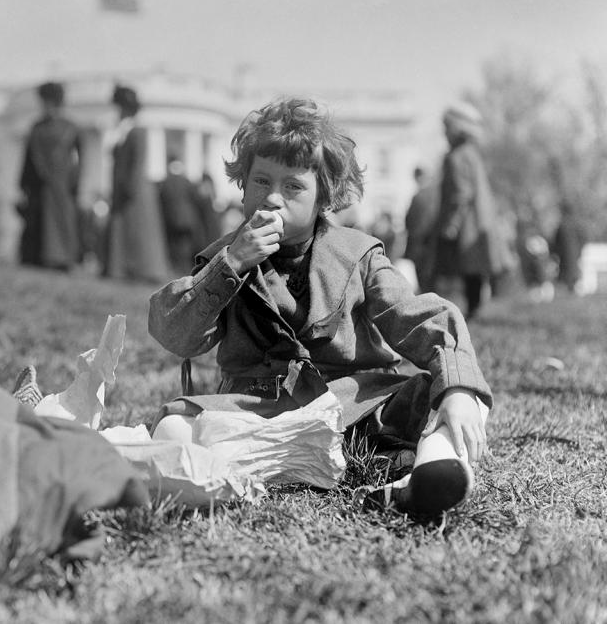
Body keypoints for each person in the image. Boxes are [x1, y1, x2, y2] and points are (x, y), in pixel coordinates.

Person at [148, 98, 492, 518]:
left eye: (292, 186)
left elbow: (422, 318)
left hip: (348, 409)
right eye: (260, 181)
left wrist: (457, 389)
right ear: (242, 183)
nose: (272, 199)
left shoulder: (357, 253)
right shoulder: (225, 257)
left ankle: (431, 475)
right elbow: (174, 333)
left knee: (451, 398)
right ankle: (224, 478)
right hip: (259, 413)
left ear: (323, 197)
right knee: (173, 427)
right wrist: (232, 264)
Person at [432, 102, 503, 319]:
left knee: (466, 269)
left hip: (467, 224)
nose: (444, 133)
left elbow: (461, 194)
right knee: (474, 271)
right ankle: (475, 309)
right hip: (480, 220)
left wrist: (451, 224)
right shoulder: (472, 153)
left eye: (446, 127)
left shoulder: (457, 157)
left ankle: (470, 312)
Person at [102, 84, 171, 283]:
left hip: (133, 188)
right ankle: (120, 268)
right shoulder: (122, 130)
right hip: (124, 186)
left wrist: (127, 187)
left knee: (137, 230)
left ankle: (142, 269)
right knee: (124, 229)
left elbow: (137, 162)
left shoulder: (136, 131)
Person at [17, 81, 82, 270]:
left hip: (62, 185)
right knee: (39, 222)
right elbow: (28, 159)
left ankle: (63, 259)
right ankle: (38, 257)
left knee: (62, 221)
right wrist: (23, 185)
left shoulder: (70, 127)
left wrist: (75, 182)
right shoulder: (36, 127)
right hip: (39, 186)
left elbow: (79, 159)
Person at [158, 155, 201, 274]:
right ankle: (185, 267)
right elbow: (196, 198)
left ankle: (177, 267)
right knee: (186, 245)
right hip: (188, 219)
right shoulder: (187, 182)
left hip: (172, 219)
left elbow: (162, 200)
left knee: (174, 245)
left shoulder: (166, 182)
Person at [403, 166, 439, 293]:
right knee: (429, 275)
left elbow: (410, 221)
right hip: (429, 242)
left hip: (421, 242)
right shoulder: (435, 195)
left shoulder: (420, 196)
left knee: (425, 275)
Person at [551, 198, 586, 295]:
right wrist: (579, 250)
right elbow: (584, 238)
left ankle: (570, 293)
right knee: (573, 276)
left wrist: (555, 253)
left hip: (565, 257)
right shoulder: (576, 224)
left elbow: (556, 244)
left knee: (567, 278)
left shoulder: (562, 225)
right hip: (574, 256)